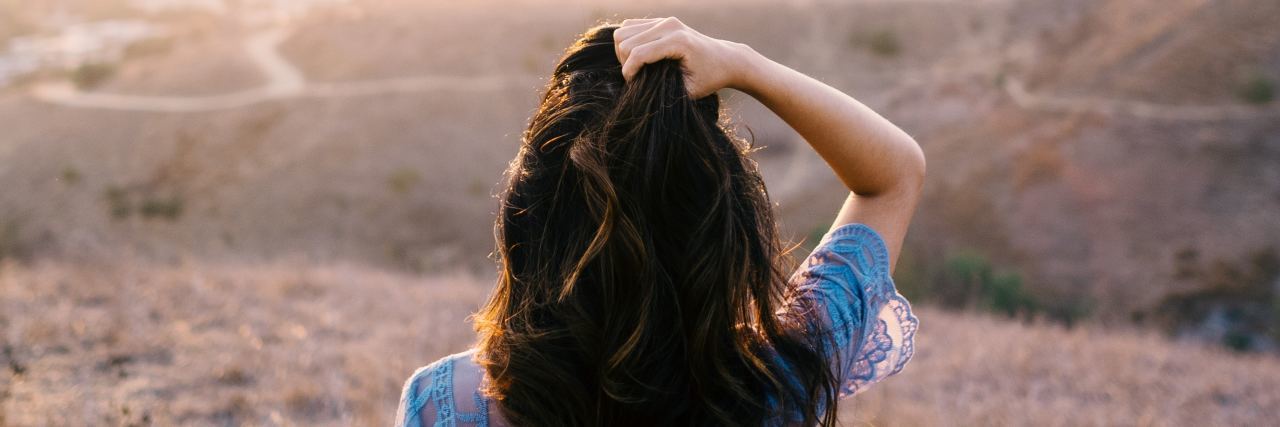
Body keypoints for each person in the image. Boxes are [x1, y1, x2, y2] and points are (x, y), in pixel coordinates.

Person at [395, 17, 924, 427]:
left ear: (525, 229)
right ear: (720, 241)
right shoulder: (778, 386)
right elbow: (893, 177)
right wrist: (744, 65)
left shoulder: (445, 405)